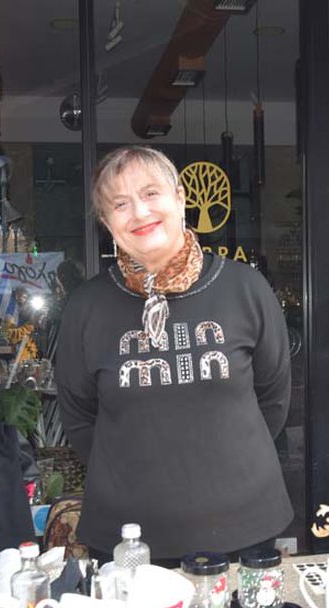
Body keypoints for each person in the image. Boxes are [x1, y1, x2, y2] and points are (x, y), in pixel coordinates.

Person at [55, 146, 293, 562]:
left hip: (245, 525)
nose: (139, 212)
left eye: (151, 194)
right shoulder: (86, 307)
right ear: (107, 223)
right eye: (120, 204)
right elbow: (78, 417)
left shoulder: (245, 288)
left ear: (180, 198)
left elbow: (273, 398)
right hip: (129, 539)